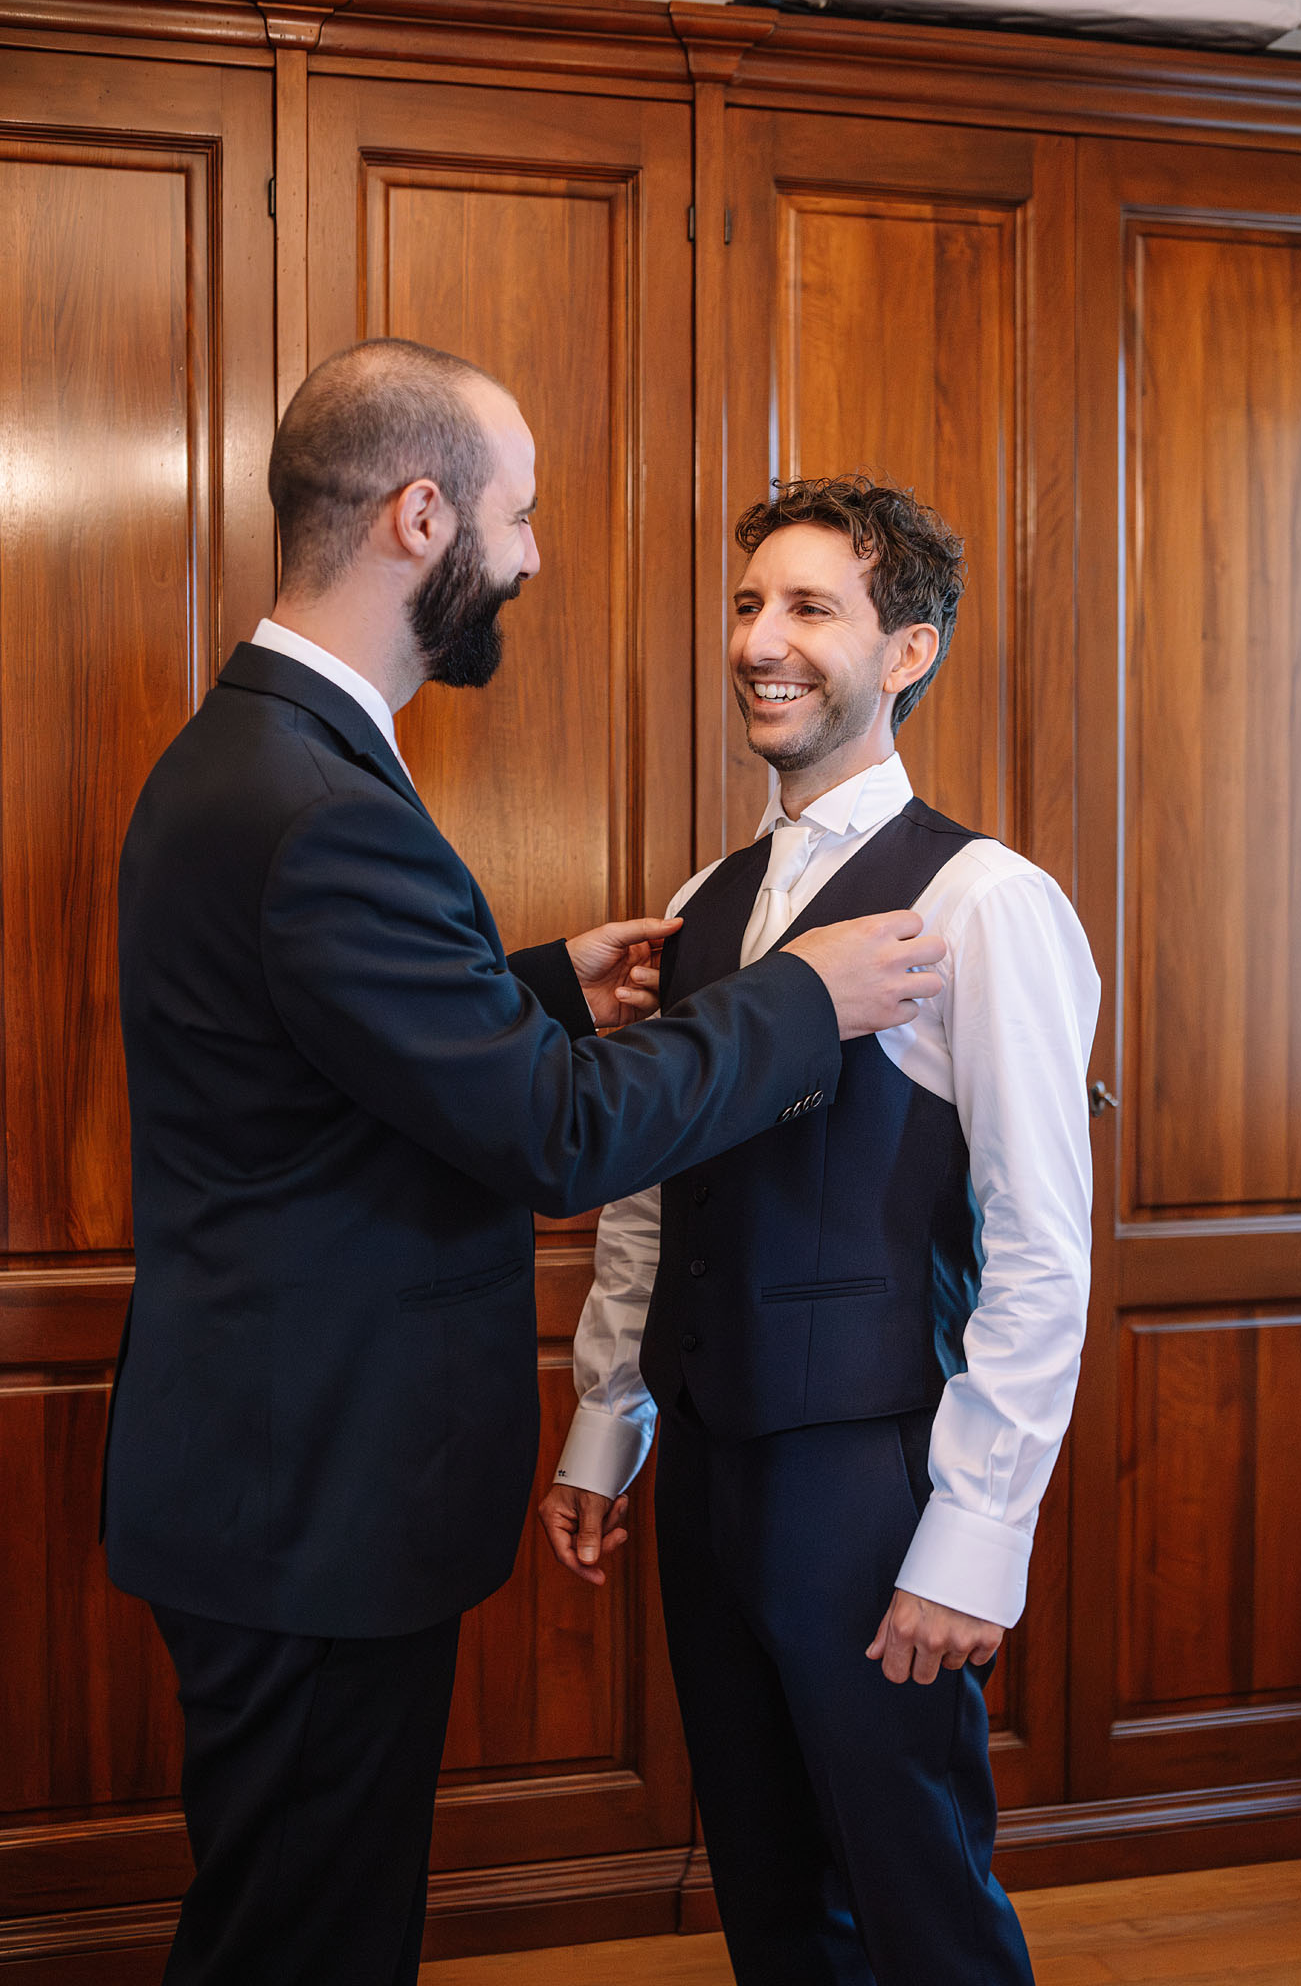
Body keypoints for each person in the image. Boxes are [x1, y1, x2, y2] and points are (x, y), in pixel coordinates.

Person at [102, 347, 947, 1986]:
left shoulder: (262, 756)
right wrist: (801, 999)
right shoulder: (316, 799)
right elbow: (551, 1134)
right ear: (424, 518)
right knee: (305, 1939)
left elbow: (338, 1051)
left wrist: (546, 987)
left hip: (269, 1476)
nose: (536, 554)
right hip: (309, 1500)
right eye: (520, 511)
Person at [540, 475, 1100, 1985]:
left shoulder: (989, 902)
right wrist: (608, 1424)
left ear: (904, 652)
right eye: (745, 605)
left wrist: (973, 1543)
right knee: (765, 1878)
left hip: (871, 1479)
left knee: (914, 1880)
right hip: (708, 1465)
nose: (759, 642)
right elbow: (649, 1195)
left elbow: (1040, 1244)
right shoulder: (700, 899)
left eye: (807, 608)